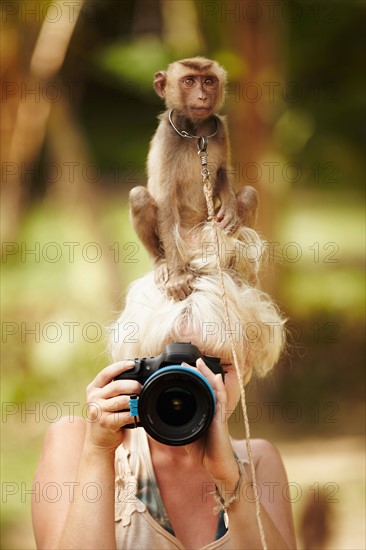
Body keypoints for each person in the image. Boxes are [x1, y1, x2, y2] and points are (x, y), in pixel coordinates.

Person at [32, 226, 297, 549]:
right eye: (172, 371)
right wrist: (98, 454)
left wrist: (232, 483)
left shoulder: (257, 463)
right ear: (134, 365)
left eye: (216, 368)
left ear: (246, 367)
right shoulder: (77, 444)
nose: (193, 388)